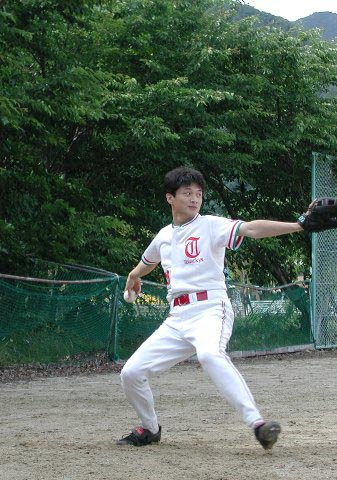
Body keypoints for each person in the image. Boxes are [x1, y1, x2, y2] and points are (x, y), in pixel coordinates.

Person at [116, 166, 305, 450]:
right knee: (130, 373)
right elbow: (148, 260)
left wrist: (299, 225)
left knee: (209, 354)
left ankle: (258, 424)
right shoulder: (164, 235)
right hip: (177, 318)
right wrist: (133, 275)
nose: (194, 198)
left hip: (210, 309)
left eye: (199, 194)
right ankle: (150, 429)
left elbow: (250, 228)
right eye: (187, 193)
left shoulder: (210, 225)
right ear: (170, 197)